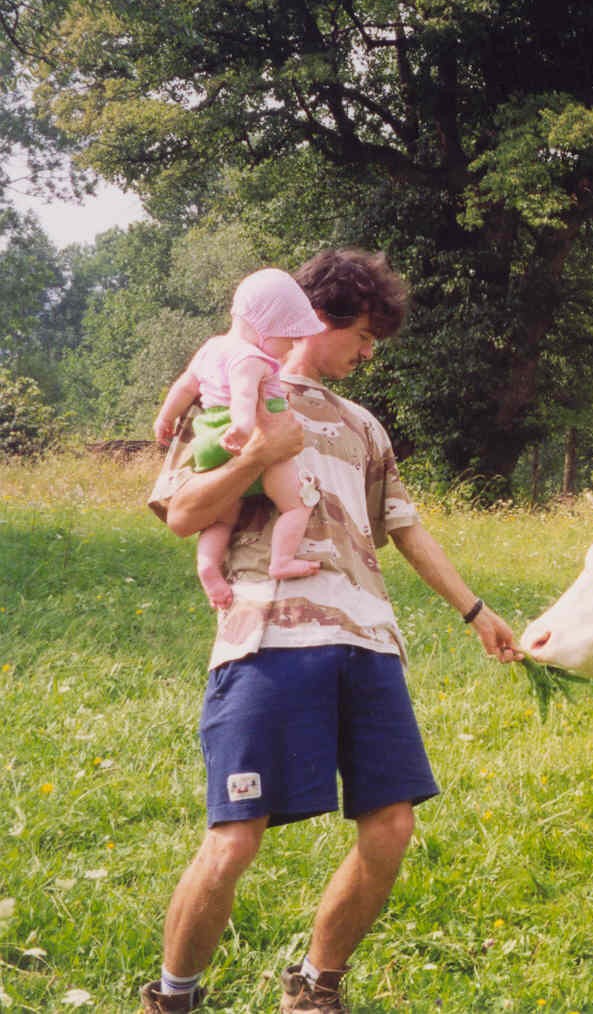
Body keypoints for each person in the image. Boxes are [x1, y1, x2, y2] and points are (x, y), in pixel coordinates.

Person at [141, 248, 521, 1013]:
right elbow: (182, 514)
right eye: (367, 333)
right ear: (319, 320)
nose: (371, 351)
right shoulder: (226, 387)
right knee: (235, 840)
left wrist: (477, 612)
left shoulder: (364, 425)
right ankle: (173, 998)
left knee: (391, 828)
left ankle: (316, 987)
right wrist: (263, 453)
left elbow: (407, 529)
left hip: (370, 644)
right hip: (267, 639)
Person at [153, 268, 327, 610]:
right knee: (297, 504)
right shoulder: (253, 357)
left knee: (222, 517)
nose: (292, 346)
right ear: (266, 328)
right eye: (288, 337)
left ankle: (207, 567)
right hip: (249, 436)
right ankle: (282, 560)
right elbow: (245, 396)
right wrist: (246, 430)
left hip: (210, 442)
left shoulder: (210, 348)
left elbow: (186, 385)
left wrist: (166, 416)